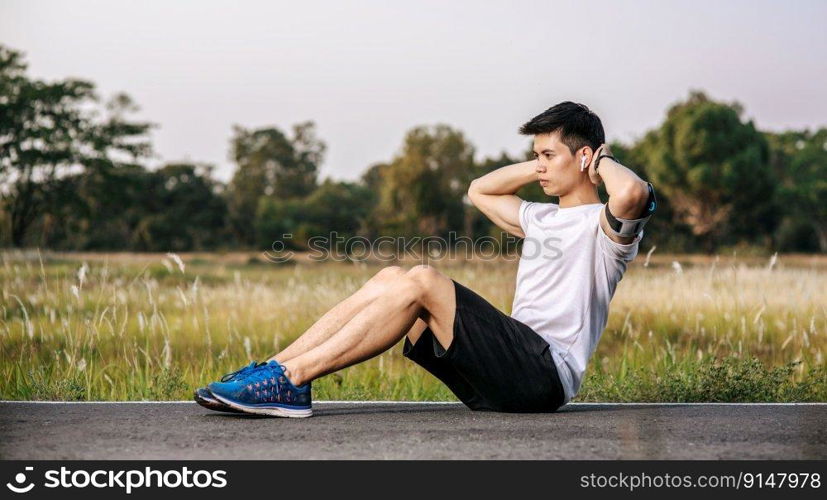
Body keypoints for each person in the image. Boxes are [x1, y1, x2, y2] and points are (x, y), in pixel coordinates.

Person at [194, 101, 655, 417]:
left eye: (548, 155)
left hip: (543, 375)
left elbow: (632, 191)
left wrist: (602, 160)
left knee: (424, 280)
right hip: (504, 373)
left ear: (585, 158)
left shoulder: (606, 228)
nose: (538, 166)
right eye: (535, 156)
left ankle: (294, 378)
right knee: (394, 277)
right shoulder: (539, 218)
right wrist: (543, 162)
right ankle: (273, 371)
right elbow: (479, 190)